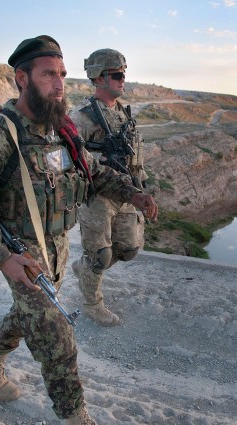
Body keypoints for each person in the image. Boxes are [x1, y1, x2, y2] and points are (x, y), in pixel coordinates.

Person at [0, 36, 157, 425]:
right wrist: (6, 259)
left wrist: (134, 194)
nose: (59, 83)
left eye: (62, 74)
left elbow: (93, 173)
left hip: (58, 248)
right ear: (22, 77)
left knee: (27, 315)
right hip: (21, 255)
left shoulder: (62, 128)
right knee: (57, 337)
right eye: (49, 74)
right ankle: (74, 416)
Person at [68, 49, 148, 326]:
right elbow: (66, 157)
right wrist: (97, 159)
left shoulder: (123, 114)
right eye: (117, 75)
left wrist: (142, 184)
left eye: (123, 74)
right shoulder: (81, 117)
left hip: (126, 190)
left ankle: (84, 269)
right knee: (100, 255)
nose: (122, 79)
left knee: (128, 249)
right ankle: (91, 303)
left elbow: (134, 154)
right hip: (98, 195)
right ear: (98, 78)